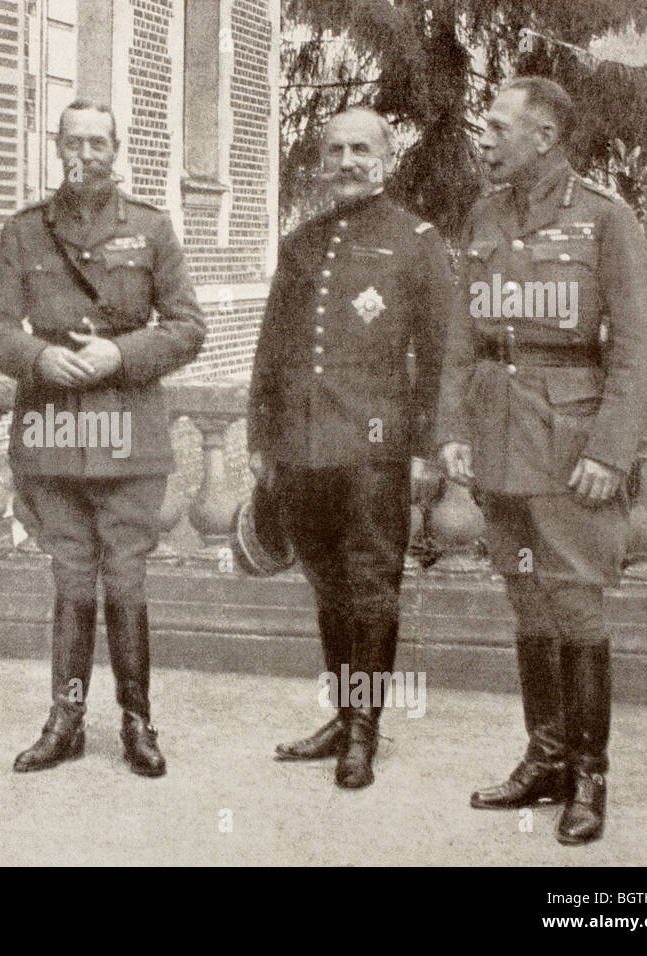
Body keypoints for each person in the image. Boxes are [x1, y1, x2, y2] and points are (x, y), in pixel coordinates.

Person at [434, 77, 647, 844]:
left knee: (575, 604)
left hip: (570, 446)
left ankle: (589, 777)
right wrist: (451, 429)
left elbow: (637, 349)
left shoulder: (605, 220)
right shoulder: (484, 215)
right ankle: (545, 759)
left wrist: (611, 448)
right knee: (527, 599)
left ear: (546, 137)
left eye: (499, 128)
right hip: (498, 439)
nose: (485, 139)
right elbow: (463, 340)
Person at [0, 100, 205, 777]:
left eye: (98, 142)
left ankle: (138, 722)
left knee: (127, 577)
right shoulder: (23, 232)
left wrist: (120, 355)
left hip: (129, 435)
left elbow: (189, 327)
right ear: (56, 147)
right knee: (71, 577)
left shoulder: (152, 228)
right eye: (72, 141)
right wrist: (40, 358)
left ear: (117, 149)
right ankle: (66, 720)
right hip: (52, 431)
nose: (85, 153)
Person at [249, 107, 452, 789]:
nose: (345, 161)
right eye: (334, 150)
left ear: (387, 159)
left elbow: (440, 354)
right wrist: (261, 437)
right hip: (302, 446)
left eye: (361, 150)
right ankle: (342, 715)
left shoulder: (417, 241)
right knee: (327, 586)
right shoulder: (302, 241)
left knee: (371, 589)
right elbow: (273, 347)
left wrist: (427, 447)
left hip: (373, 447)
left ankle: (364, 729)